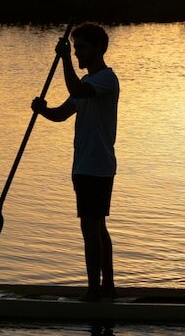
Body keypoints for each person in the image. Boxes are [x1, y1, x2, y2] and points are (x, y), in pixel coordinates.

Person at [31, 23, 119, 302]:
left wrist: (64, 58)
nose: (78, 53)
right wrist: (43, 111)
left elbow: (77, 90)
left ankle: (97, 292)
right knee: (96, 226)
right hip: (84, 167)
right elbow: (62, 114)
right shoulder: (88, 85)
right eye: (75, 48)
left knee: (91, 228)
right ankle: (106, 289)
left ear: (98, 49)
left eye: (81, 47)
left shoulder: (105, 80)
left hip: (96, 166)